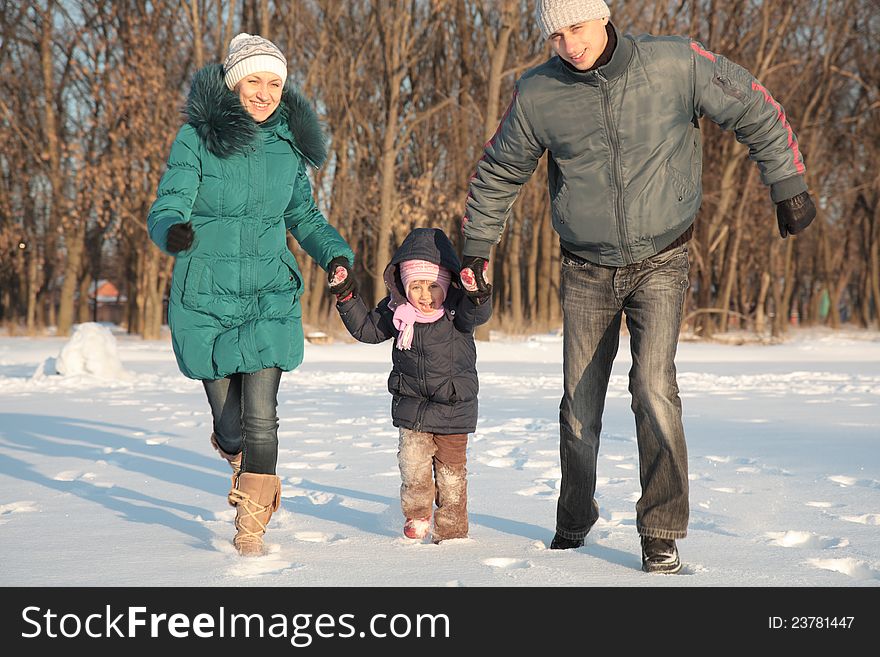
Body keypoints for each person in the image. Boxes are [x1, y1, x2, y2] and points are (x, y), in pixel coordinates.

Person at [458, 0, 816, 573]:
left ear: (601, 17)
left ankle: (662, 528)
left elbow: (754, 105)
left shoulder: (674, 63)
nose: (569, 45)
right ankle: (575, 518)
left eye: (576, 28)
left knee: (654, 389)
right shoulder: (538, 93)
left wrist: (788, 182)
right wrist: (477, 246)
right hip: (585, 266)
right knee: (578, 407)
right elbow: (501, 169)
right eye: (556, 36)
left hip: (663, 257)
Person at [147, 33, 356, 556]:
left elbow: (303, 216)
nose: (264, 93)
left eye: (274, 83)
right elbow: (168, 202)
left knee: (263, 412)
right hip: (206, 296)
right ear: (233, 83)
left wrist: (334, 255)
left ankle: (252, 526)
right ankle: (232, 448)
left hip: (269, 293)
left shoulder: (288, 147)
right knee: (232, 423)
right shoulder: (195, 139)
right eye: (254, 81)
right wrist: (172, 228)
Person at [332, 227, 492, 543]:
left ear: (447, 284)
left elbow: (479, 312)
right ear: (404, 286)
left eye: (433, 285)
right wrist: (347, 296)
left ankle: (451, 528)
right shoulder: (398, 313)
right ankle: (418, 514)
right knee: (413, 467)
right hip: (413, 408)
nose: (424, 294)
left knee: (451, 476)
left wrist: (478, 291)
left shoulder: (456, 312)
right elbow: (367, 330)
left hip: (453, 408)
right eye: (415, 286)